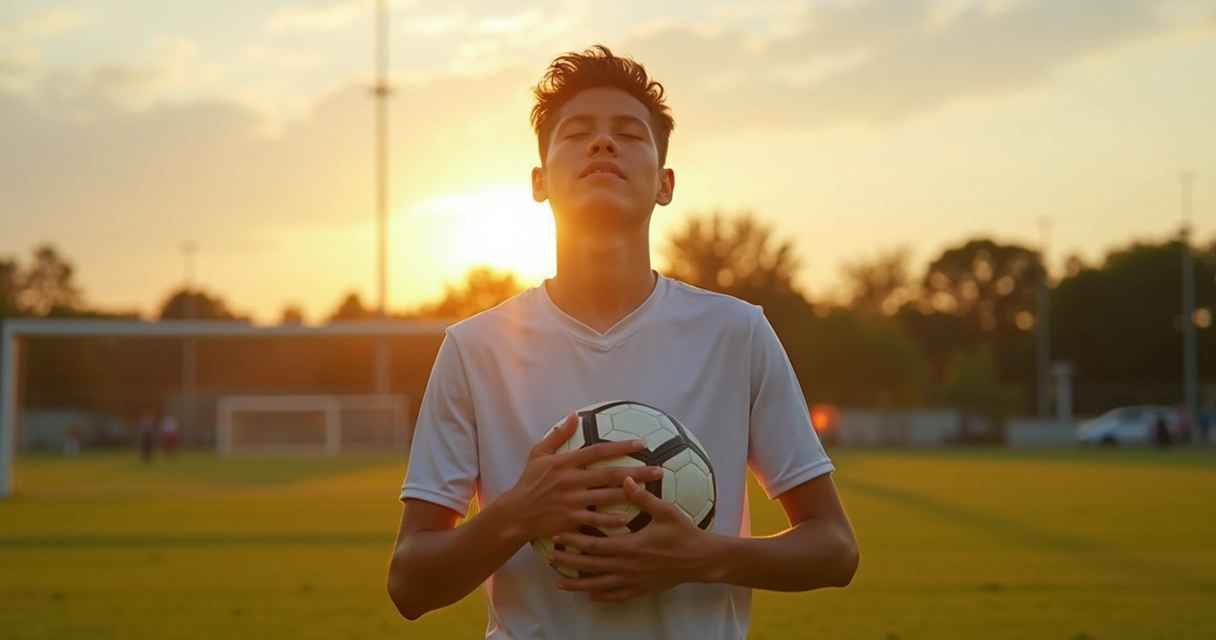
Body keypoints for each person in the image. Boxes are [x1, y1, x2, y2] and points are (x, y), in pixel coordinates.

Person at [387, 45, 859, 639]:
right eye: (577, 133)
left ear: (665, 184)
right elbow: (409, 584)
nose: (603, 144)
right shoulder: (475, 348)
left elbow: (835, 548)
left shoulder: (736, 334)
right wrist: (518, 514)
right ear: (540, 181)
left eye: (629, 135)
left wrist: (703, 557)